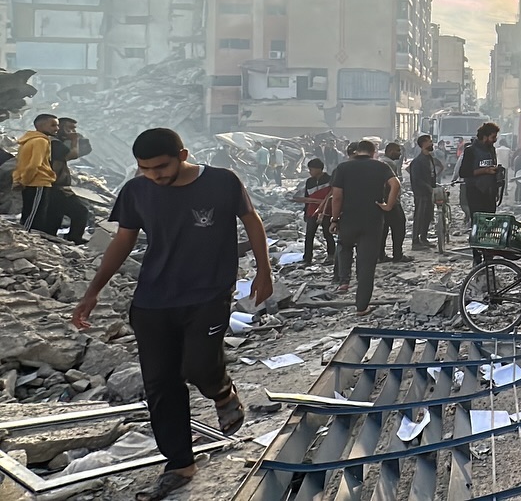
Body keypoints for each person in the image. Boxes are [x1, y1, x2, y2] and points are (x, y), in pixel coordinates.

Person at [71, 128, 272, 501]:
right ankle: (179, 463)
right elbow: (123, 240)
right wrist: (92, 291)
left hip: (209, 293)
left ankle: (222, 392)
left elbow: (251, 219)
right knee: (161, 385)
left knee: (199, 367)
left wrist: (264, 270)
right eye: (145, 168)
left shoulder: (222, 181)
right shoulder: (136, 191)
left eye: (160, 167)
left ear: (182, 155)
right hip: (153, 300)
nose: (153, 175)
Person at [329, 140, 399, 315]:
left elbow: (336, 197)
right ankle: (361, 306)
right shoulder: (380, 167)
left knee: (344, 246)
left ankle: (344, 280)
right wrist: (388, 206)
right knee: (367, 263)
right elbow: (396, 184)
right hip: (372, 220)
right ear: (373, 151)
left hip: (348, 219)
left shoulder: (343, 168)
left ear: (356, 151)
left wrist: (334, 219)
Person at [457, 123, 502, 265]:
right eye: (493, 137)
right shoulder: (470, 151)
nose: (495, 140)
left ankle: (488, 256)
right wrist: (485, 171)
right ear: (485, 137)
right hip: (475, 193)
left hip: (489, 193)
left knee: (490, 226)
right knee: (477, 225)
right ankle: (477, 257)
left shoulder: (491, 150)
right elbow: (464, 172)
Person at [48, 117, 92, 243]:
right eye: (70, 128)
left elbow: (86, 150)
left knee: (56, 214)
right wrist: (74, 140)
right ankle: (74, 238)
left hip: (56, 185)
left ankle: (53, 238)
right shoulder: (54, 143)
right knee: (80, 211)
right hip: (54, 185)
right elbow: (72, 155)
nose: (73, 131)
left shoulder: (57, 142)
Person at [16, 114, 59, 234]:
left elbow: (20, 163)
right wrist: (24, 181)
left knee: (29, 212)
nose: (57, 128)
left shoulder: (28, 141)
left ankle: (25, 235)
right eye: (53, 125)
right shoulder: (41, 141)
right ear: (40, 126)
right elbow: (34, 165)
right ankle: (26, 236)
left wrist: (18, 180)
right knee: (35, 216)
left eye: (57, 125)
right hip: (38, 182)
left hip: (30, 182)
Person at [291, 159, 334, 267]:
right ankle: (307, 258)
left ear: (319, 169)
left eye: (311, 169)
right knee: (309, 235)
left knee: (327, 233)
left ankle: (331, 255)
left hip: (326, 211)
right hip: (312, 211)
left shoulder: (330, 180)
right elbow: (307, 198)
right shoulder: (309, 182)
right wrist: (306, 212)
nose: (310, 172)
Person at [407, 134, 443, 249]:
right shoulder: (418, 161)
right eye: (429, 141)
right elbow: (416, 178)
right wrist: (428, 187)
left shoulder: (429, 158)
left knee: (428, 215)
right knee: (419, 216)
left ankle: (424, 238)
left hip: (429, 192)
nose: (432, 143)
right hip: (421, 193)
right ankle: (415, 241)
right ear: (423, 144)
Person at [379, 142, 410, 262]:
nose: (400, 154)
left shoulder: (381, 161)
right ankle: (398, 254)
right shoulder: (390, 164)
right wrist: (393, 200)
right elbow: (393, 185)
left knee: (384, 229)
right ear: (391, 151)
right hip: (391, 201)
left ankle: (381, 255)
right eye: (398, 151)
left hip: (383, 200)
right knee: (399, 227)